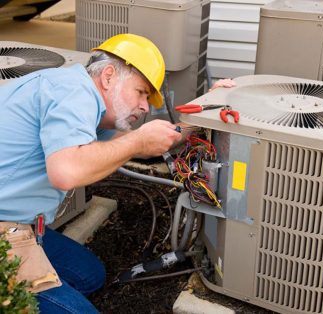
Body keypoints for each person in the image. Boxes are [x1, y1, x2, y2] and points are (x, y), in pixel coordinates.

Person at [0, 33, 236, 313]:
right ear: (109, 76)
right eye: (141, 92)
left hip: (19, 220)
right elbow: (66, 171)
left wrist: (205, 111)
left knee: (89, 275)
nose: (146, 107)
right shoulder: (72, 92)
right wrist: (136, 140)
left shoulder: (80, 98)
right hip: (6, 229)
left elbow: (132, 147)